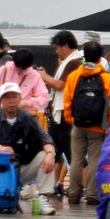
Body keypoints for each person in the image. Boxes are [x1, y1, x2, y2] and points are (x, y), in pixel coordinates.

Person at [0, 82, 57, 215]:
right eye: (7, 97)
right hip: (0, 168)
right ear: (1, 101)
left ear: (20, 98)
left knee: (46, 156)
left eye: (14, 97)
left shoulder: (29, 118)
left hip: (22, 167)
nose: (11, 101)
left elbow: (46, 138)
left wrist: (50, 153)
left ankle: (43, 197)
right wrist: (1, 149)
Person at [62, 41, 110, 206]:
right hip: (98, 127)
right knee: (94, 160)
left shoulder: (74, 75)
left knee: (76, 160)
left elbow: (67, 100)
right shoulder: (106, 78)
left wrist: (71, 119)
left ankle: (74, 194)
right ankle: (92, 194)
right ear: (100, 57)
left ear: (84, 55)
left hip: (78, 125)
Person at [39, 30, 83, 196]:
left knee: (73, 155)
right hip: (60, 115)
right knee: (55, 152)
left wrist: (43, 75)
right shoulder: (68, 61)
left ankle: (82, 188)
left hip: (65, 114)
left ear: (65, 46)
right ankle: (53, 185)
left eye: (57, 48)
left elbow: (59, 85)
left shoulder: (75, 62)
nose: (56, 51)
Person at [0, 48, 48, 123]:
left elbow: (44, 98)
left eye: (23, 69)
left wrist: (27, 103)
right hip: (3, 116)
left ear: (29, 66)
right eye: (17, 67)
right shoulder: (5, 70)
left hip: (23, 117)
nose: (19, 70)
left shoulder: (34, 75)